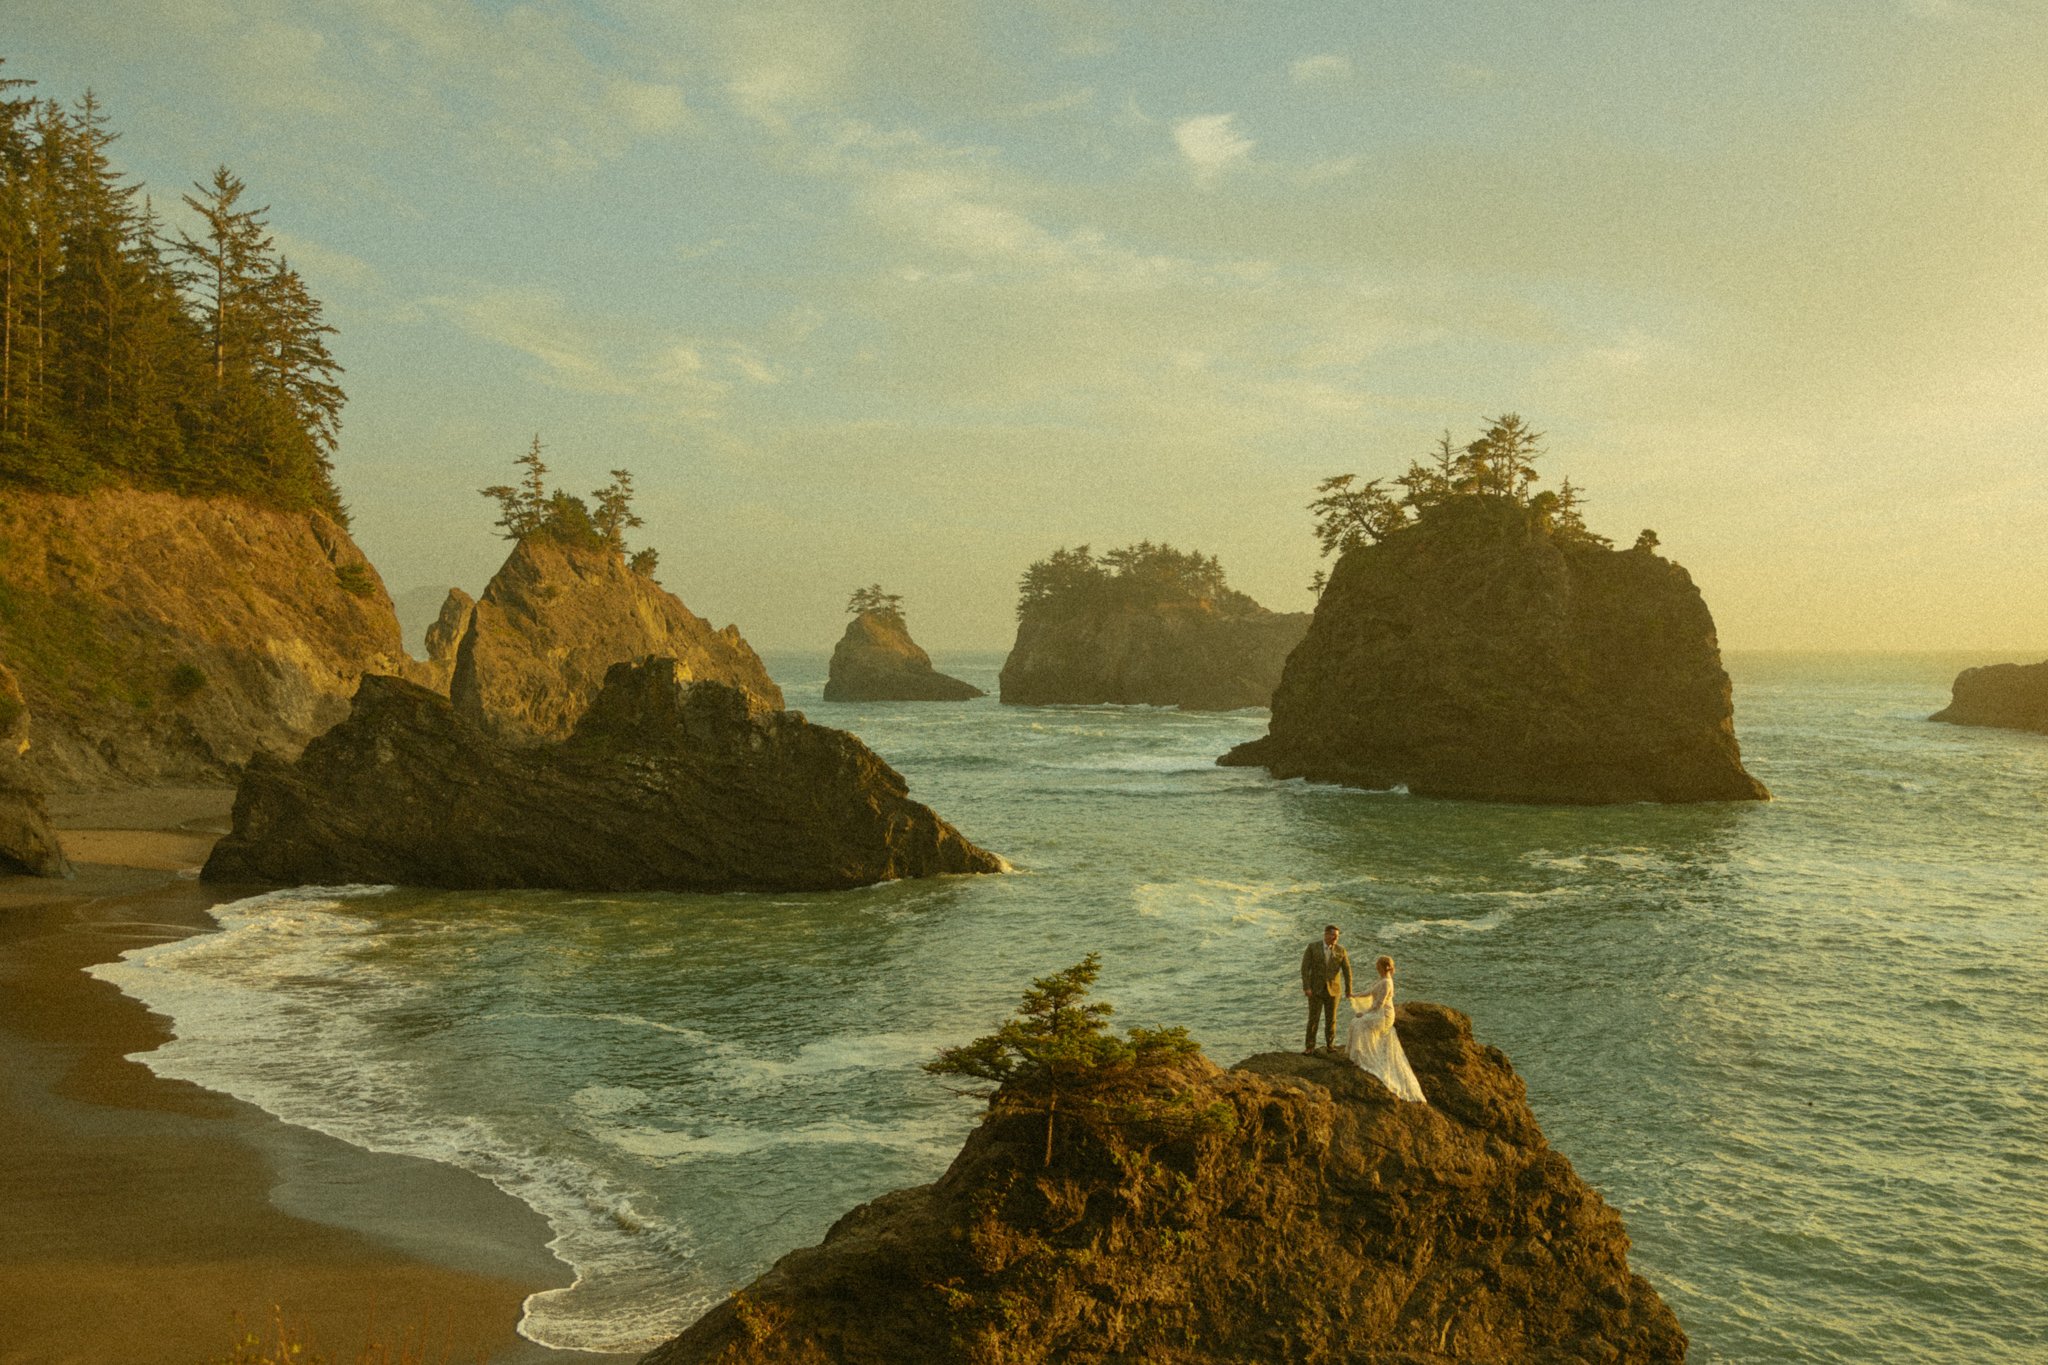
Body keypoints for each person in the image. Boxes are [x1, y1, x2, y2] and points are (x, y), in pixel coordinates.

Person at [1345, 954, 1427, 1103]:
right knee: (1356, 1023)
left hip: (1384, 1015)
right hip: (1379, 1013)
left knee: (1358, 1023)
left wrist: (1363, 1014)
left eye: (1378, 966)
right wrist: (1353, 995)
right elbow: (1369, 992)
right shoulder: (1382, 980)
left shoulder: (1387, 983)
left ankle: (1362, 1056)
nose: (1376, 969)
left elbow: (1379, 1004)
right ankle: (1359, 1054)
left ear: (1382, 967)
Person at [1299, 924, 1353, 1053]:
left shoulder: (1341, 950)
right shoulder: (1312, 947)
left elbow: (1347, 971)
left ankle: (1330, 1045)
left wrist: (1348, 990)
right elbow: (1304, 969)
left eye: (1337, 936)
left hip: (1334, 990)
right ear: (1326, 934)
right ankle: (1310, 1047)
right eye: (1333, 935)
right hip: (1315, 990)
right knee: (1313, 1019)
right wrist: (1306, 987)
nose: (1335, 938)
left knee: (1331, 1019)